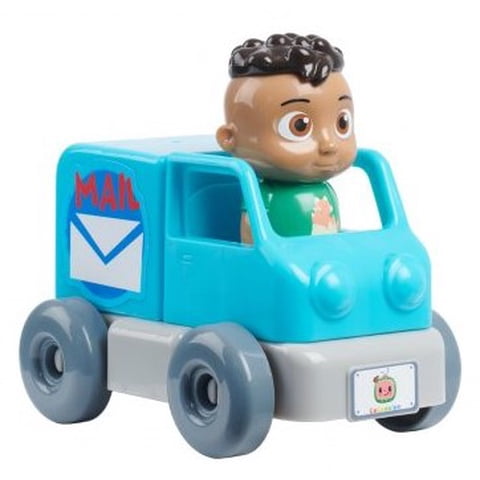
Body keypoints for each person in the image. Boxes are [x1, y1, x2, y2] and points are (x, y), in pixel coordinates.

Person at [216, 33, 357, 242]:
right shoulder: (266, 195)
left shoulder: (326, 190)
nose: (329, 144)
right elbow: (250, 233)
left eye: (342, 123)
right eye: (299, 126)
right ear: (229, 138)